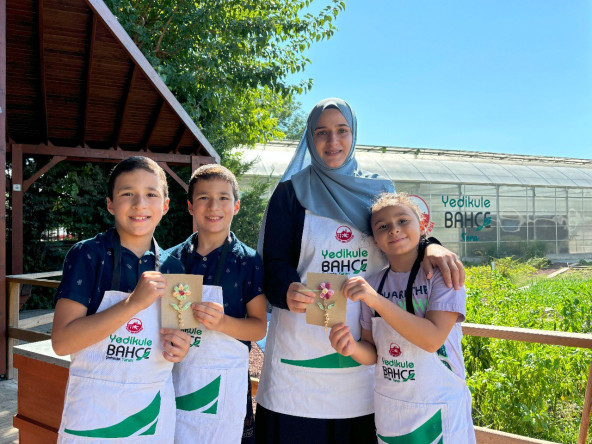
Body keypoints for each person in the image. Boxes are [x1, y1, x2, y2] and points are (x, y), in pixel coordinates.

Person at [255, 98, 465, 443]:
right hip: (299, 353)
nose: (332, 141)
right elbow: (274, 262)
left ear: (354, 135)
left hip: (367, 351)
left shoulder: (377, 189)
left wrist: (432, 245)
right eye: (321, 132)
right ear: (309, 137)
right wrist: (285, 290)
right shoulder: (290, 193)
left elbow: (400, 234)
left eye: (342, 131)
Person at [52, 156, 191, 443]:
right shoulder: (87, 256)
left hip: (150, 416)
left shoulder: (176, 269)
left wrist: (180, 347)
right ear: (111, 204)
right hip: (93, 416)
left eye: (151, 194)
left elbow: (181, 341)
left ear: (165, 205)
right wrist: (133, 304)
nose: (140, 203)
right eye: (127, 193)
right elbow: (62, 342)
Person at [329, 192, 475, 442]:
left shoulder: (443, 274)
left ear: (423, 226)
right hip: (391, 411)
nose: (394, 230)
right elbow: (373, 353)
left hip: (439, 409)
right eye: (382, 226)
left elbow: (432, 340)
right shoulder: (374, 283)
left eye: (403, 221)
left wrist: (375, 299)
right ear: (374, 240)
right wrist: (351, 347)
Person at [167, 163, 267, 443]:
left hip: (225, 388)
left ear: (236, 206)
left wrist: (222, 323)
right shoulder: (171, 260)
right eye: (203, 198)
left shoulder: (248, 261)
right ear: (190, 206)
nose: (214, 206)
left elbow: (258, 328)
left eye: (223, 197)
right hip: (176, 380)